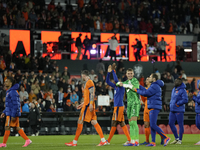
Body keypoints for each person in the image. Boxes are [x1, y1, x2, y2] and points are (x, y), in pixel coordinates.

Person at [65, 70, 107, 146]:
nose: (81, 78)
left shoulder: (89, 82)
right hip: (88, 104)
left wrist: (89, 104)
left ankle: (74, 142)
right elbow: (88, 96)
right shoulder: (88, 82)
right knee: (94, 121)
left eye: (81, 76)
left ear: (84, 75)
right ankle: (103, 140)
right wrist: (83, 103)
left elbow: (92, 94)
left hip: (88, 106)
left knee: (80, 121)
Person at [133, 73, 170, 147]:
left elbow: (146, 93)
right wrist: (139, 86)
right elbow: (146, 90)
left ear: (153, 79)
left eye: (150, 77)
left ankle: (165, 137)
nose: (148, 78)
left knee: (153, 124)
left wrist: (136, 90)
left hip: (154, 106)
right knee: (152, 125)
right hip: (153, 106)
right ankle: (153, 142)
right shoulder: (155, 86)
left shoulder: (154, 86)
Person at [0, 77, 32, 147]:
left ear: (11, 83)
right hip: (10, 112)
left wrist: (13, 115)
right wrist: (4, 112)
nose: (5, 83)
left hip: (12, 113)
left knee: (7, 127)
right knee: (16, 127)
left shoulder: (13, 92)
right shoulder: (9, 91)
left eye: (7, 81)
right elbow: (9, 105)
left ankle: (4, 143)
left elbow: (16, 105)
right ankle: (27, 140)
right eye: (5, 81)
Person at [105, 64, 131, 145]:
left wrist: (113, 70)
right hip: (118, 106)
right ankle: (129, 140)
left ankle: (108, 141)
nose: (118, 82)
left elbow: (116, 80)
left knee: (115, 122)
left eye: (119, 81)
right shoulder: (116, 87)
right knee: (120, 123)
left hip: (119, 106)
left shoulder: (122, 86)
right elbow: (107, 81)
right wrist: (109, 73)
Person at [117, 68, 140, 146]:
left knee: (134, 122)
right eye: (128, 73)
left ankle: (136, 141)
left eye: (131, 73)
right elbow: (117, 84)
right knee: (130, 123)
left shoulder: (135, 81)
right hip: (129, 104)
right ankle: (132, 141)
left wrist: (124, 85)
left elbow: (135, 88)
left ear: (133, 74)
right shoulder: (126, 82)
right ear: (126, 74)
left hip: (135, 103)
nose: (130, 75)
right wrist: (120, 83)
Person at [169, 78, 188, 145]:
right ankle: (176, 138)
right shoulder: (174, 89)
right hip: (172, 109)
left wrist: (178, 104)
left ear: (180, 82)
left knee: (180, 125)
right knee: (170, 123)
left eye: (177, 81)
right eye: (175, 80)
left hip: (179, 109)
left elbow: (185, 100)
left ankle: (180, 140)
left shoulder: (183, 90)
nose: (175, 81)